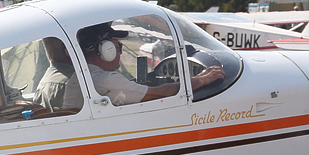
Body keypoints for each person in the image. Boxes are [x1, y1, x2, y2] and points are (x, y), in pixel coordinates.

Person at [78, 22, 223, 105]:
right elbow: (159, 94)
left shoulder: (82, 77)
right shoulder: (107, 80)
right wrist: (202, 79)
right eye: (118, 47)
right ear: (105, 50)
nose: (120, 53)